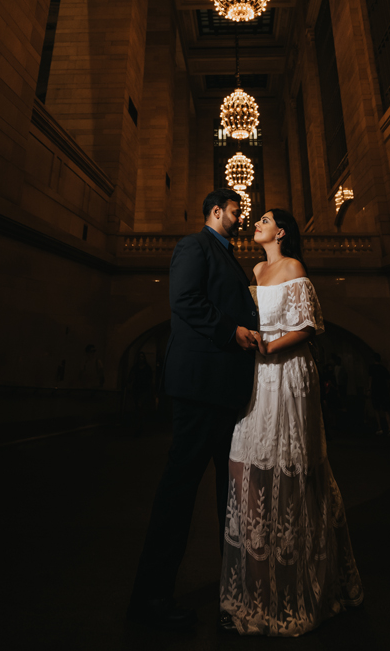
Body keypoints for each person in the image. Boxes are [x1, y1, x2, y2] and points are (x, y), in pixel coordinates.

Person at [219, 209, 363, 637]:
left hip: (288, 373)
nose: (256, 223)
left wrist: (268, 347)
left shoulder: (293, 266)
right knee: (246, 464)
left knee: (291, 466)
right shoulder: (257, 269)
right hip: (257, 377)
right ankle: (259, 589)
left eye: (264, 219)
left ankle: (297, 590)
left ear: (280, 231)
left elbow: (308, 325)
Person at [127, 188, 260, 631]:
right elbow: (184, 301)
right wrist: (233, 332)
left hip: (225, 393)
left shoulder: (228, 255)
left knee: (230, 498)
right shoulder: (194, 246)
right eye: (235, 213)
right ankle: (150, 602)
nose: (240, 220)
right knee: (178, 495)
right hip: (201, 389)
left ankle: (235, 591)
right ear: (215, 212)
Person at [368, 352, 390, 435]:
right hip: (384, 390)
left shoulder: (372, 368)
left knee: (376, 410)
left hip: (376, 390)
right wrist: (388, 389)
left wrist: (369, 389)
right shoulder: (383, 368)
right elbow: (389, 379)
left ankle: (380, 427)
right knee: (386, 410)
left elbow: (370, 379)